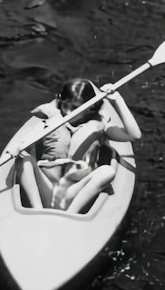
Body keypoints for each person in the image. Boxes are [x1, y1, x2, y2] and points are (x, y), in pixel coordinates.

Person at [14, 78, 143, 213]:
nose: (69, 112)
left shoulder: (101, 126)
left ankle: (70, 214)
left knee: (108, 172)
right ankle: (37, 211)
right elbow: (35, 116)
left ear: (90, 106)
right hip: (46, 189)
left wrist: (117, 100)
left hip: (72, 193)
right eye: (66, 105)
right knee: (24, 159)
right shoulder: (53, 118)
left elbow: (134, 135)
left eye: (75, 107)